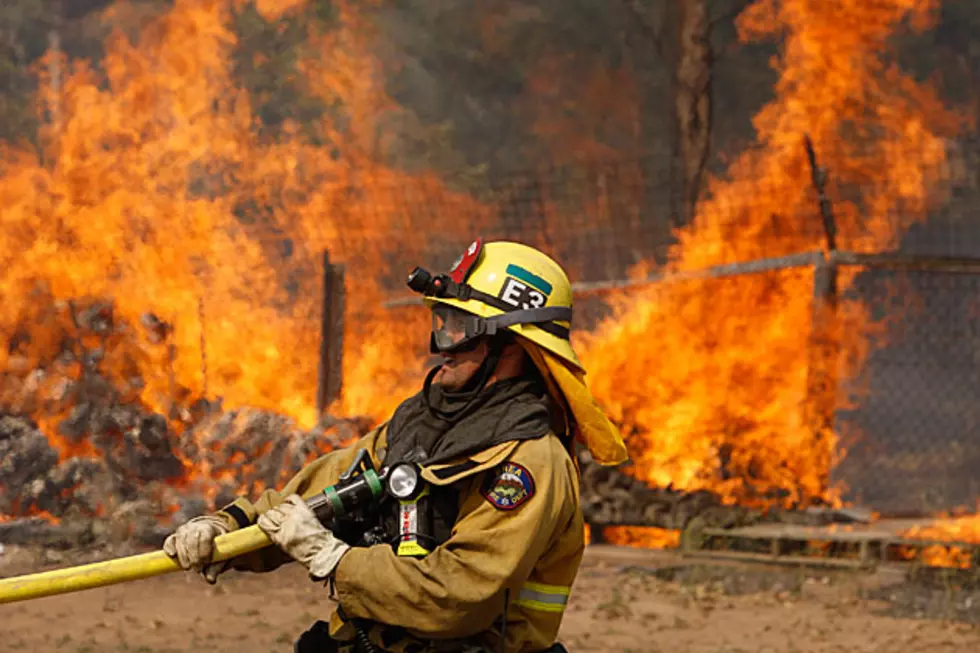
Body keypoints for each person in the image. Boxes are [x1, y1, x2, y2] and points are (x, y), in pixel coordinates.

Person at [163, 239, 628, 653]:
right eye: (440, 322)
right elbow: (312, 500)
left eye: (459, 327)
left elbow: (459, 595)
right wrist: (225, 530)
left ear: (512, 345)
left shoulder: (529, 462)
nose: (441, 345)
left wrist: (336, 561)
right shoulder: (420, 425)